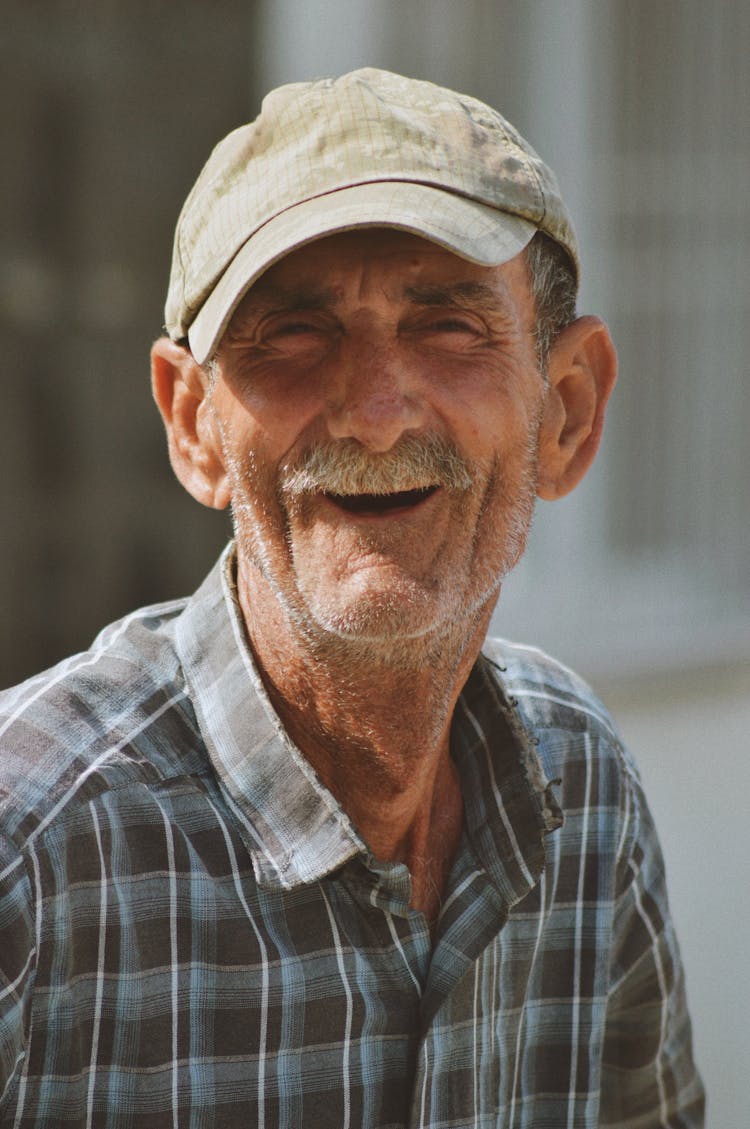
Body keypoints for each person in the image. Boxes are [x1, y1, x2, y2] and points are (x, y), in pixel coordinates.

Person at [0, 68, 704, 1128]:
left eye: (449, 326)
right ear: (193, 425)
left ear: (565, 411)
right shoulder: (31, 856)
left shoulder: (584, 792)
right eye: (292, 331)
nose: (375, 414)